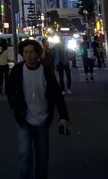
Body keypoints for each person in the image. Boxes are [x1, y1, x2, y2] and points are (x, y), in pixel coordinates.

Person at [7, 39, 71, 179]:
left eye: (32, 52)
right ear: (22, 55)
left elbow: (56, 94)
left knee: (42, 160)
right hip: (24, 119)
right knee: (25, 157)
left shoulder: (46, 71)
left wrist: (63, 116)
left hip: (42, 119)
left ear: (37, 54)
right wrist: (15, 108)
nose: (29, 55)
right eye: (26, 52)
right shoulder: (17, 70)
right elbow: (10, 91)